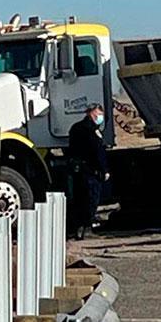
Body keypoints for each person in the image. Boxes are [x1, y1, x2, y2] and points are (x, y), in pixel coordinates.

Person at [68, 103, 110, 240]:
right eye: (99, 114)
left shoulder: (75, 128)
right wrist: (104, 170)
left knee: (79, 199)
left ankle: (78, 229)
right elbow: (97, 152)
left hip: (78, 169)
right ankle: (87, 229)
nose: (100, 117)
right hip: (91, 170)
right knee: (91, 199)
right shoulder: (91, 130)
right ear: (92, 113)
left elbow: (70, 149)